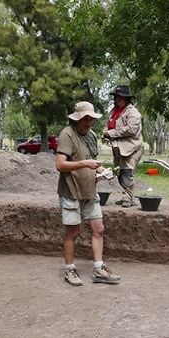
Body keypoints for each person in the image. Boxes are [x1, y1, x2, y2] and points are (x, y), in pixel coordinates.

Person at [56, 101, 121, 286]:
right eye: (85, 118)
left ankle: (99, 268)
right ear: (77, 119)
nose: (89, 122)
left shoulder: (91, 136)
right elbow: (60, 165)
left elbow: (93, 163)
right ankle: (70, 270)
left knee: (99, 228)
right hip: (70, 191)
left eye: (91, 118)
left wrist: (101, 173)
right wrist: (85, 163)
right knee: (73, 231)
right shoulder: (67, 135)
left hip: (89, 190)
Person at [102, 85, 144, 208]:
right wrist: (105, 132)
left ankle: (128, 198)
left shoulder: (133, 112)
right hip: (119, 149)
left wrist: (110, 133)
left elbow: (131, 130)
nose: (118, 100)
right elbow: (107, 125)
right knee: (119, 172)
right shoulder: (113, 111)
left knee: (127, 172)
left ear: (127, 99)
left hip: (133, 148)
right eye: (116, 97)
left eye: (121, 97)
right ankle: (128, 196)